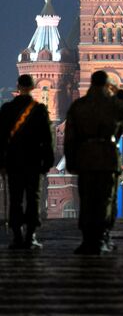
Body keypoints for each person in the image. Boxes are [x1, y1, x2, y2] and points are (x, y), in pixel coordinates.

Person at [64, 70, 123, 255]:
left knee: (87, 200)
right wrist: (120, 92)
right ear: (107, 85)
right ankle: (102, 238)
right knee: (106, 199)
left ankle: (87, 240)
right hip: (107, 158)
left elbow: (70, 138)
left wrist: (71, 161)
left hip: (84, 159)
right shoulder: (113, 104)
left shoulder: (78, 106)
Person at [0, 74, 54, 249]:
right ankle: (30, 237)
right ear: (32, 88)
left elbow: (0, 138)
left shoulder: (7, 109)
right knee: (33, 198)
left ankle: (17, 237)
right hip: (33, 161)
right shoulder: (39, 110)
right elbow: (47, 138)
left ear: (18, 86)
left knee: (15, 198)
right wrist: (47, 161)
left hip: (13, 161)